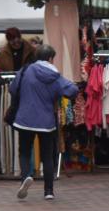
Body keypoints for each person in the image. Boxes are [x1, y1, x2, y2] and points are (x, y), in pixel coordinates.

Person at [10, 45, 78, 200]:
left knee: (25, 151)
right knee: (47, 156)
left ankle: (25, 177)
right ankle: (49, 191)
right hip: (46, 121)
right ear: (50, 58)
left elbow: (13, 88)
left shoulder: (25, 71)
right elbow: (72, 91)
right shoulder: (54, 76)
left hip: (25, 118)